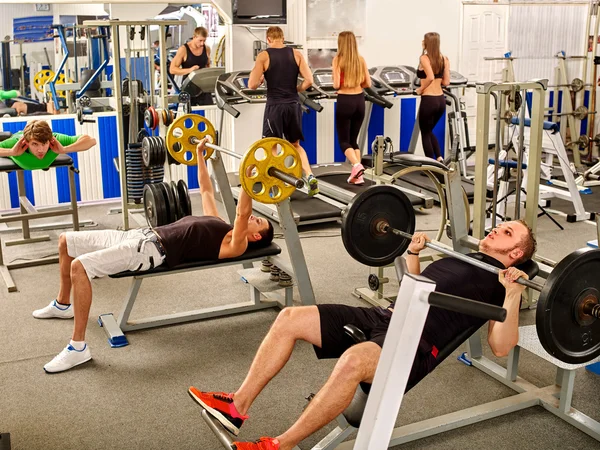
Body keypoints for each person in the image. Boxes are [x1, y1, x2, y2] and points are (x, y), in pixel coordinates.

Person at [189, 220, 536, 450]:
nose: (495, 230)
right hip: (384, 316)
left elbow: (501, 348)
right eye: (499, 226)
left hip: (413, 344)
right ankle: (236, 406)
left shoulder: (500, 282)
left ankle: (278, 446)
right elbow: (414, 288)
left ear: (516, 254)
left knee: (352, 361)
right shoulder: (464, 257)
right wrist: (413, 255)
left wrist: (513, 292)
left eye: (507, 233)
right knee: (289, 317)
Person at [33, 138, 275, 373]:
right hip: (138, 234)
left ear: (255, 237)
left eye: (260, 221)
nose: (255, 217)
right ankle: (64, 304)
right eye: (257, 216)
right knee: (66, 241)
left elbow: (242, 214)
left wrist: (249, 179)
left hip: (148, 251)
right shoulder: (220, 223)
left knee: (80, 266)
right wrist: (201, 154)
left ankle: (78, 347)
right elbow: (205, 191)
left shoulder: (236, 244)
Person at [248, 26, 319, 196]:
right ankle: (309, 176)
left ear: (268, 39)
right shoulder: (296, 54)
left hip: (275, 106)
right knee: (295, 145)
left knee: (271, 146)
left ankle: (274, 186)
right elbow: (309, 80)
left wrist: (261, 79)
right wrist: (297, 89)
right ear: (283, 38)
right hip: (293, 105)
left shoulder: (264, 55)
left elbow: (251, 85)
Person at [332, 31, 371, 185]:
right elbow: (368, 83)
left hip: (345, 100)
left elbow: (335, 84)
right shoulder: (360, 60)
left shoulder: (337, 60)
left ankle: (356, 165)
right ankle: (358, 176)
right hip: (359, 100)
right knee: (353, 140)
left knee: (343, 141)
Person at [0, 120, 96, 170]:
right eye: (35, 144)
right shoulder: (18, 142)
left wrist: (65, 149)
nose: (41, 150)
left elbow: (91, 140)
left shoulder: (54, 140)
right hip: (18, 137)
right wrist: (11, 152)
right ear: (27, 142)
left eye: (44, 144)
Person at [415, 32, 450, 163]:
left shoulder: (424, 58)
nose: (421, 42)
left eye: (423, 40)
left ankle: (430, 165)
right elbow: (446, 82)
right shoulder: (444, 59)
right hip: (440, 101)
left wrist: (420, 89)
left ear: (427, 43)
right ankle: (439, 158)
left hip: (429, 100)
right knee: (429, 131)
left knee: (425, 133)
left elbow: (429, 77)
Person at [170, 26, 212, 105]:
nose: (202, 43)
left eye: (204, 41)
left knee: (208, 111)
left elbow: (208, 66)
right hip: (189, 87)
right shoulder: (183, 49)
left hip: (204, 87)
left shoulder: (207, 49)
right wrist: (190, 70)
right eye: (200, 40)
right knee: (190, 113)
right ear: (194, 37)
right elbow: (172, 69)